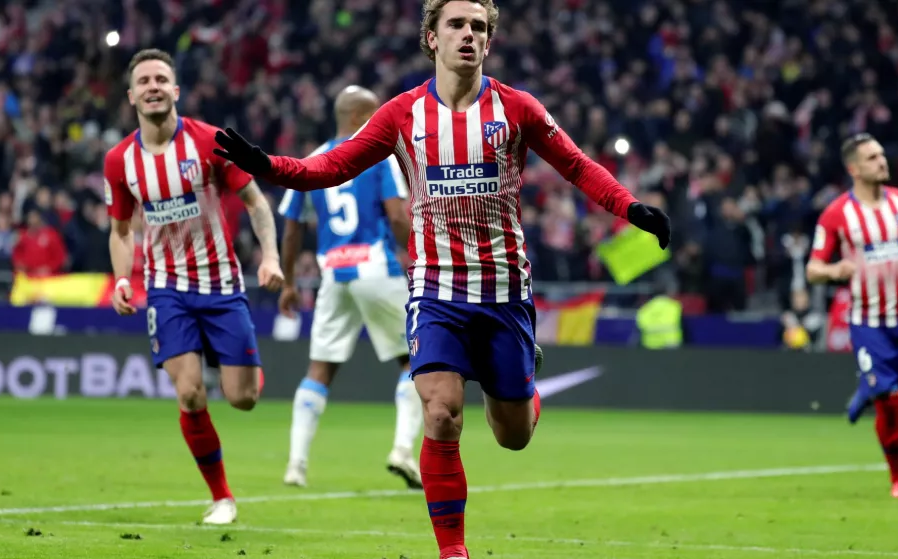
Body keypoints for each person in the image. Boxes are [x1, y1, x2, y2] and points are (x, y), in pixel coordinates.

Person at [211, 1, 670, 556]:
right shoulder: (402, 115)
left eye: (479, 26)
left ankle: (523, 387)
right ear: (432, 37)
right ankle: (452, 550)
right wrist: (268, 165)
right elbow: (330, 168)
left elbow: (575, 165)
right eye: (456, 24)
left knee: (513, 436)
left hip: (503, 292)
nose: (468, 35)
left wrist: (631, 208)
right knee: (441, 412)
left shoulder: (517, 109)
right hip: (435, 292)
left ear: (489, 41)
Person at [104, 49, 284, 525]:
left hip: (222, 286)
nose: (153, 86)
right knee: (188, 394)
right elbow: (121, 230)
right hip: (166, 290)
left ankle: (239, 364)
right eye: (144, 80)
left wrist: (270, 256)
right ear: (132, 95)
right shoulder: (119, 161)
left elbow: (255, 202)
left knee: (243, 398)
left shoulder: (207, 142)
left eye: (161, 78)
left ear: (176, 90)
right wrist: (124, 277)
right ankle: (222, 497)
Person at [277, 85, 424, 490]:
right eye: (376, 116)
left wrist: (289, 283)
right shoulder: (377, 158)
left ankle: (296, 464)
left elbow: (291, 227)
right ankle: (402, 451)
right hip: (375, 268)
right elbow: (397, 216)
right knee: (416, 360)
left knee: (320, 369)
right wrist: (419, 251)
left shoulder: (311, 160)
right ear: (361, 117)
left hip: (332, 275)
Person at [806, 133, 898, 501]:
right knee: (890, 402)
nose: (882, 161)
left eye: (882, 155)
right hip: (869, 323)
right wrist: (834, 270)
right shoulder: (837, 213)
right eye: (873, 158)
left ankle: (872, 393)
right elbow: (813, 269)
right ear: (853, 168)